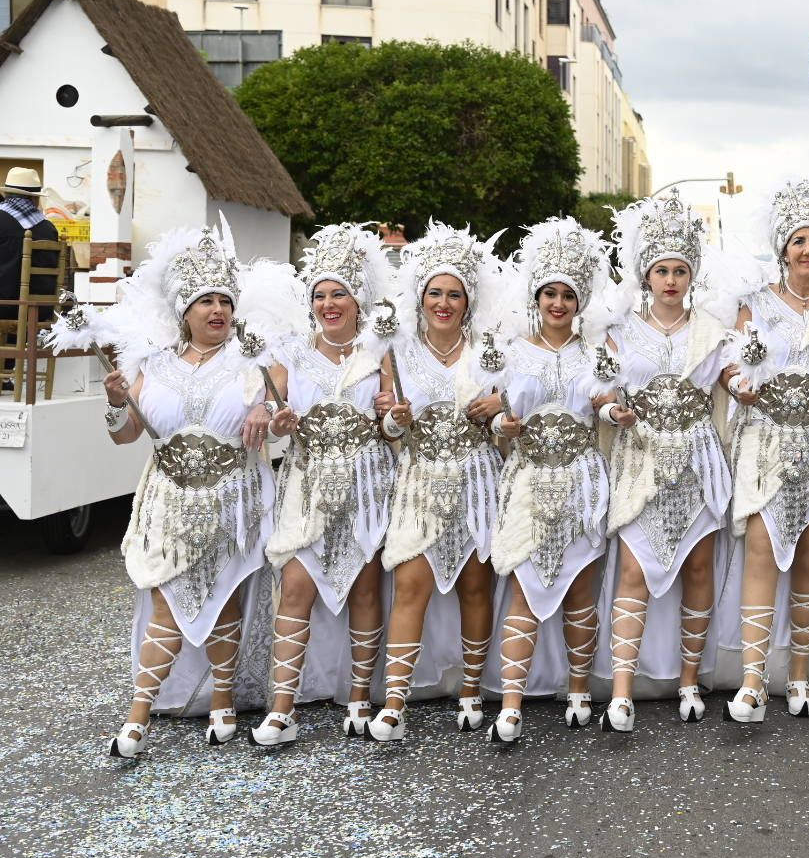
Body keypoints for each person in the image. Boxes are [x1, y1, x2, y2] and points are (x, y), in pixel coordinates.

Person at [48, 224, 273, 756]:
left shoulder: (253, 363)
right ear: (184, 310)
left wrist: (268, 406)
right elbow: (126, 436)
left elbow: (278, 418)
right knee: (165, 605)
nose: (217, 311)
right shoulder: (149, 365)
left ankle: (223, 702)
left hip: (231, 499)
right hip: (169, 500)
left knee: (226, 603)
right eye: (205, 302)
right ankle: (138, 714)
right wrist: (116, 401)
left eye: (224, 301)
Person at [243, 225, 397, 746]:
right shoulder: (292, 353)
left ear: (358, 301)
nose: (329, 304)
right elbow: (266, 404)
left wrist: (392, 417)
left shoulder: (382, 352)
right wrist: (273, 418)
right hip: (307, 485)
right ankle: (282, 709)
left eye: (339, 294)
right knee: (297, 588)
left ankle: (358, 699)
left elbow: (393, 422)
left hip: (368, 483)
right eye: (321, 296)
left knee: (366, 586)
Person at [716, 178, 809, 723]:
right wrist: (737, 385)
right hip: (766, 441)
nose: (806, 251)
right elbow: (730, 367)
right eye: (798, 241)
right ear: (783, 249)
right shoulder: (753, 305)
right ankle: (753, 681)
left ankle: (798, 676)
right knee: (760, 552)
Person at [594, 195, 733, 732]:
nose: (670, 280)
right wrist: (612, 407)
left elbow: (731, 375)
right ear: (646, 276)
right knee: (633, 569)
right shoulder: (621, 329)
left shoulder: (713, 328)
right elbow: (599, 390)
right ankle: (622, 692)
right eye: (661, 271)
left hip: (698, 458)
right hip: (641, 456)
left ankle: (689, 680)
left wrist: (745, 381)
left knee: (697, 567)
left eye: (679, 271)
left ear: (691, 275)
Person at [366, 223, 506, 742]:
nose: (443, 303)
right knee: (411, 584)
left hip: (476, 478)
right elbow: (387, 429)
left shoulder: (490, 349)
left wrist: (498, 408)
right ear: (420, 297)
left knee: (475, 585)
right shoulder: (395, 352)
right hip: (420, 479)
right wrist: (397, 420)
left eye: (454, 294)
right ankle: (395, 701)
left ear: (467, 302)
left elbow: (502, 421)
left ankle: (472, 692)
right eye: (435, 293)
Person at [486, 218, 616, 741]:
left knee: (581, 584)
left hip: (583, 478)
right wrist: (503, 423)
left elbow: (605, 400)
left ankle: (580, 691)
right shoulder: (511, 350)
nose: (558, 303)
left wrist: (613, 414)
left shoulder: (596, 352)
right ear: (536, 298)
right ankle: (511, 705)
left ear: (580, 301)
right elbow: (492, 416)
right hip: (528, 477)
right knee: (524, 582)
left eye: (568, 295)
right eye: (550, 294)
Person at [1, 168, 59, 385]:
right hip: (40, 309)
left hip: (6, 306)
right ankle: (6, 371)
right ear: (34, 199)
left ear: (7, 194)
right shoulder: (48, 228)